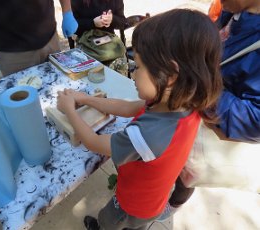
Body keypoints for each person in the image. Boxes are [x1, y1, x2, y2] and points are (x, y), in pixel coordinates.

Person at [56, 9, 223, 230]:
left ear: (171, 76)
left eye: (140, 67)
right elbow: (126, 107)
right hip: (155, 199)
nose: (133, 74)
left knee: (110, 221)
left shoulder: (147, 135)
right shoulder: (182, 103)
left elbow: (94, 143)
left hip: (132, 204)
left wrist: (70, 110)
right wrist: (86, 99)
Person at [165, 0, 260, 221]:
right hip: (195, 112)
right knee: (176, 162)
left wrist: (198, 85)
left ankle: (175, 202)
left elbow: (255, 119)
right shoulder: (234, 13)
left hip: (209, 126)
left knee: (189, 171)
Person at [0, 0, 78, 76]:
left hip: (50, 35)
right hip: (11, 48)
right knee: (26, 102)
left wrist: (67, 11)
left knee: (60, 88)